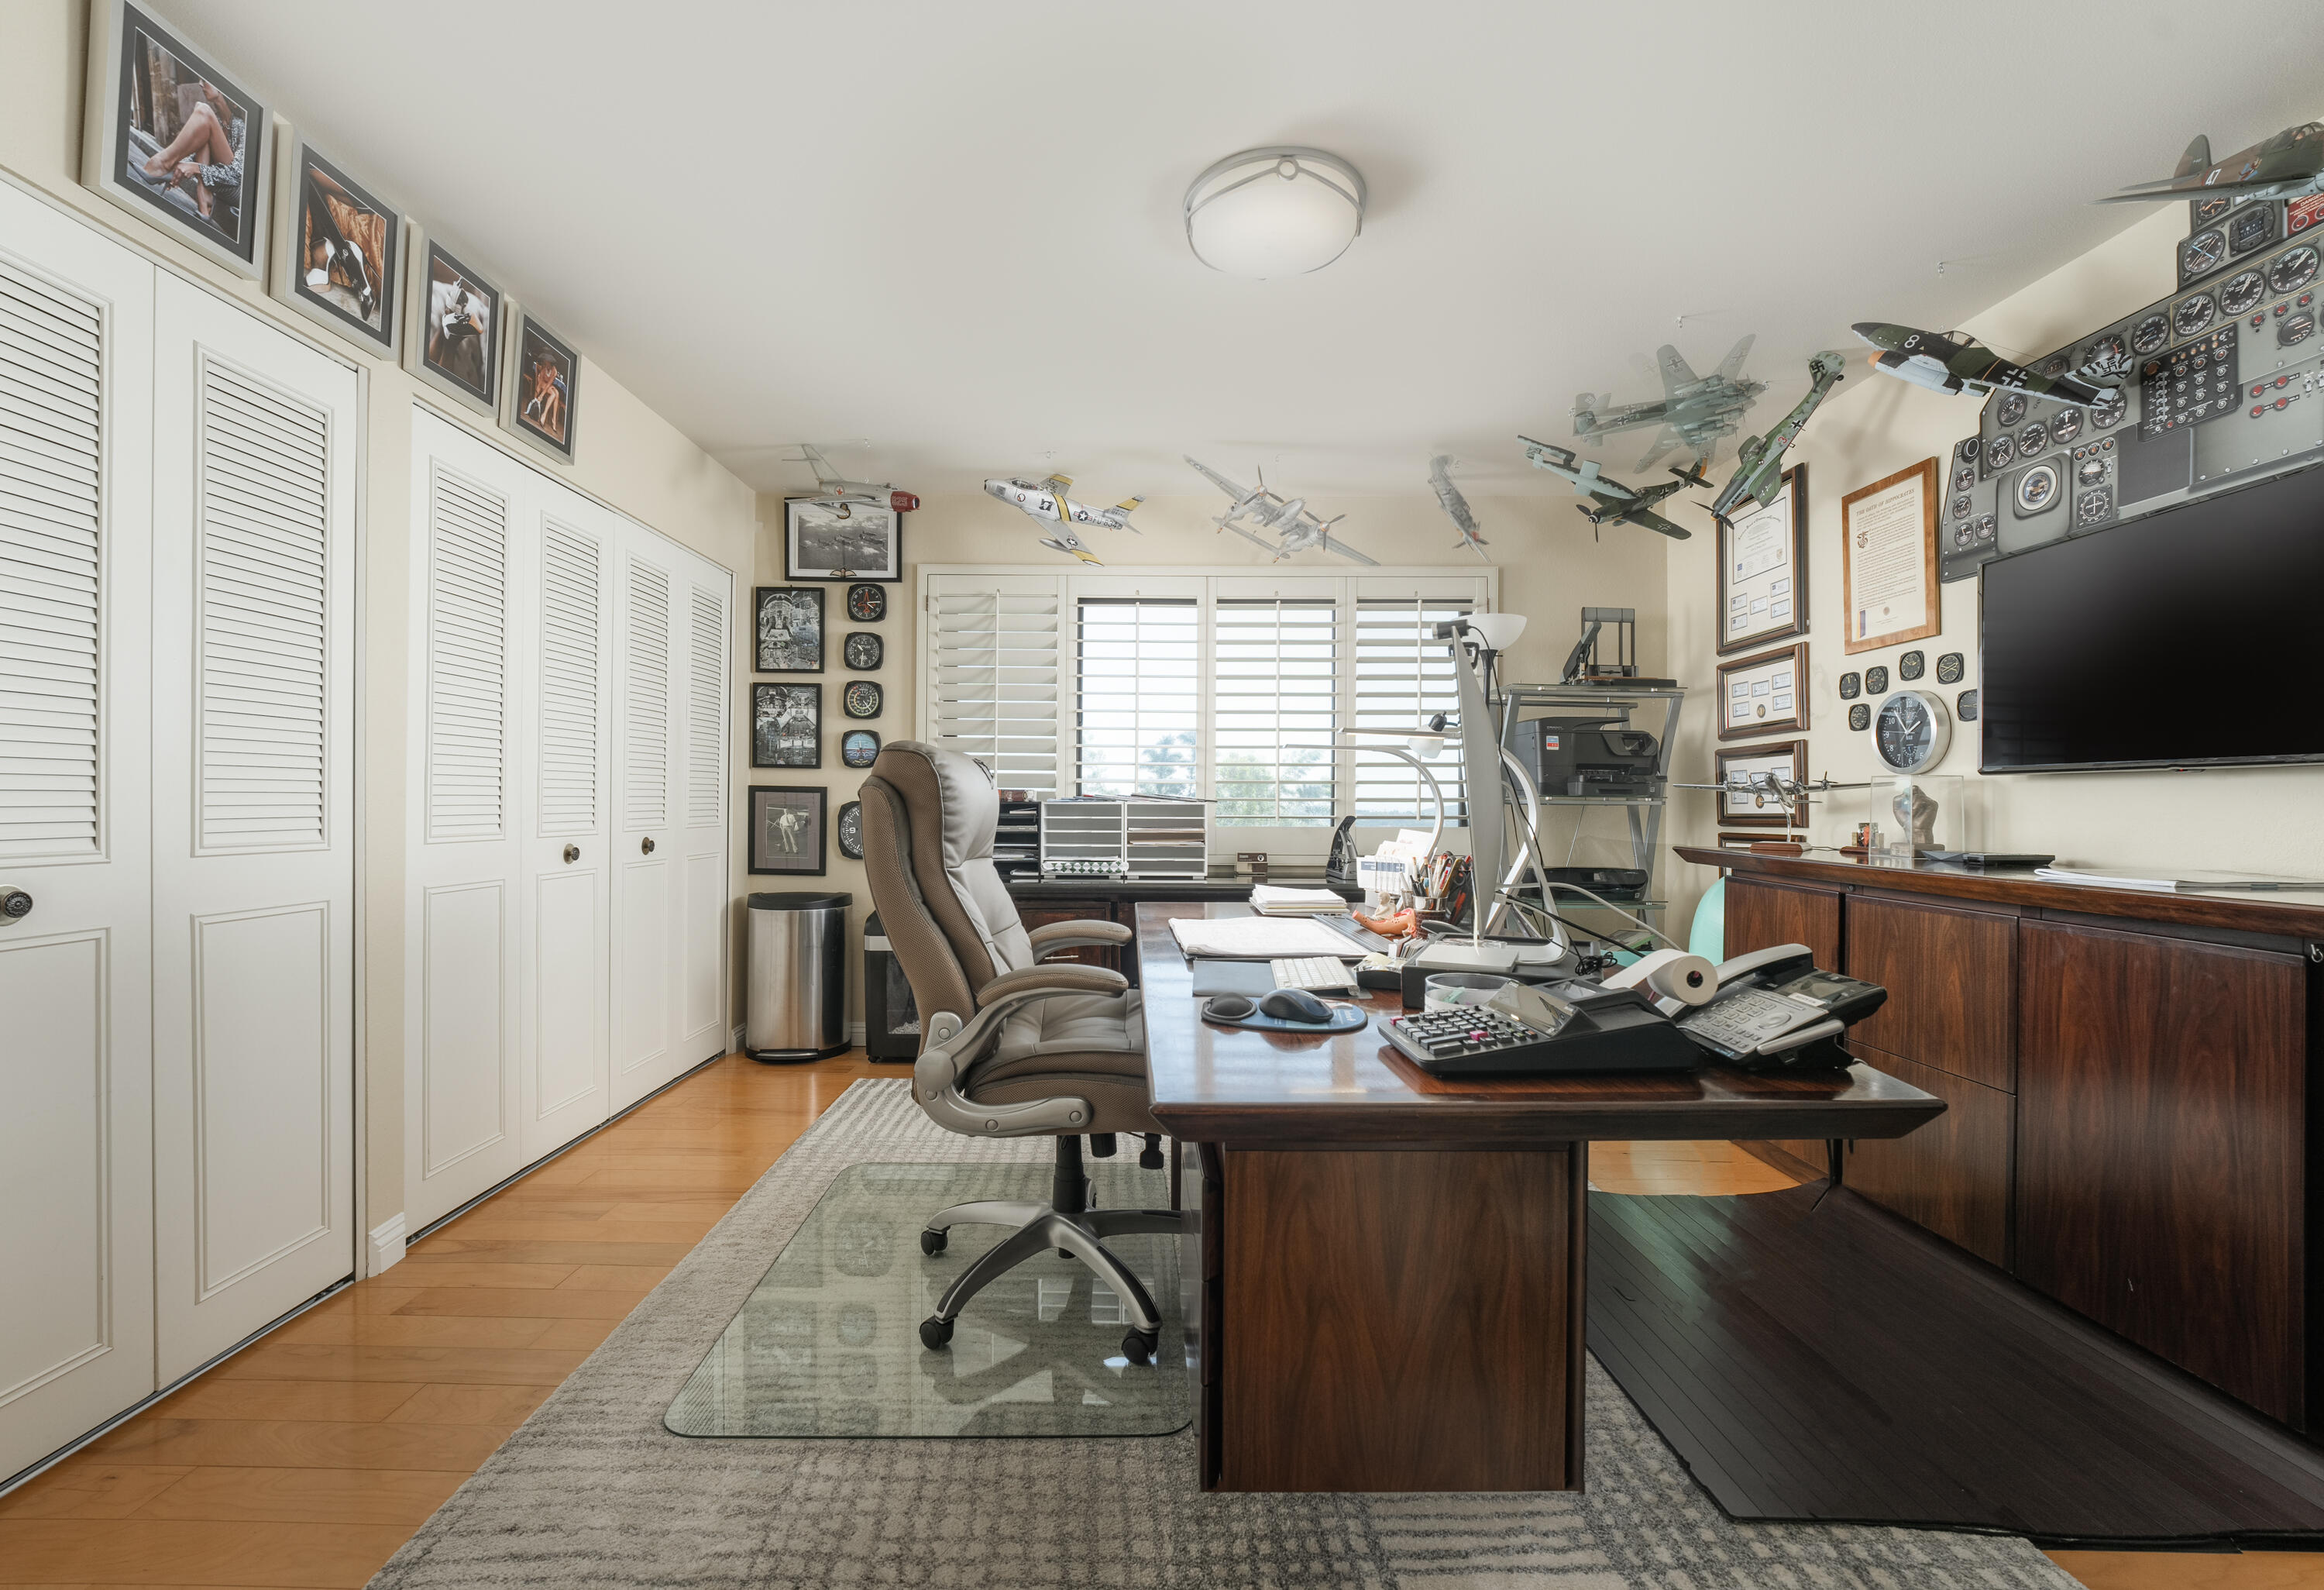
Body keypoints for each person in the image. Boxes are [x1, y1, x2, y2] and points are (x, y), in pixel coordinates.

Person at [139, 80, 242, 230]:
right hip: (217, 184)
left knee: (203, 110)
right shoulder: (217, 121)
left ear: (222, 90)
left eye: (206, 81)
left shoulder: (241, 127)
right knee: (204, 126)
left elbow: (235, 175)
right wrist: (179, 168)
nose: (201, 84)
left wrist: (194, 168)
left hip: (236, 190)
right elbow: (195, 156)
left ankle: (162, 163)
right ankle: (204, 202)